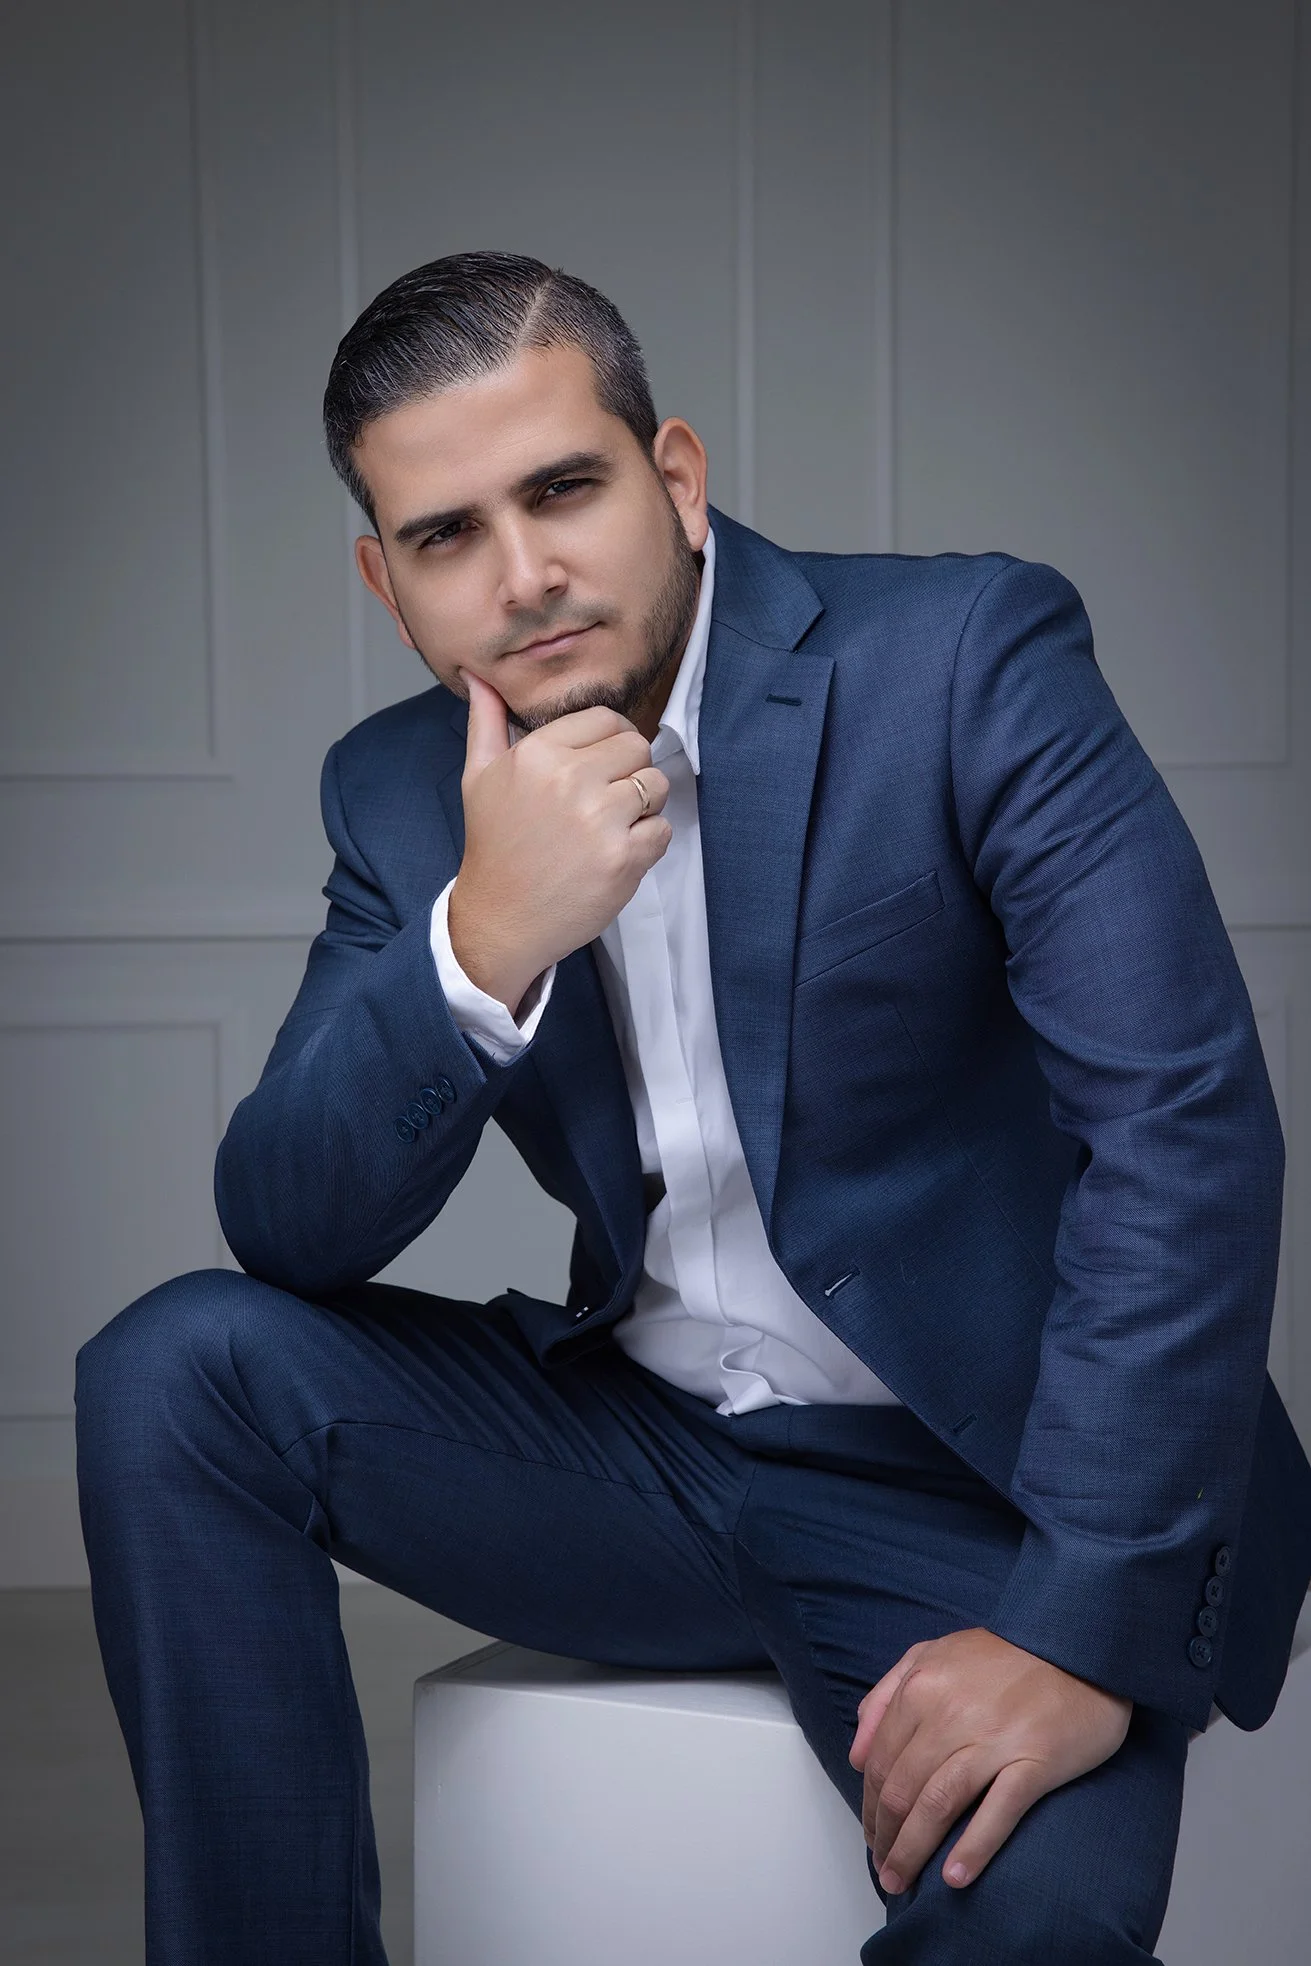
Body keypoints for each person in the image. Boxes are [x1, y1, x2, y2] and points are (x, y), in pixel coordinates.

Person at [74, 249, 1311, 1965]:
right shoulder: (398, 793)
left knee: (1029, 1925)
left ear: (673, 474)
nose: (523, 578)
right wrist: (482, 941)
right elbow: (287, 1217)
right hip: (640, 1456)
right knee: (173, 1373)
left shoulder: (961, 657)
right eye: (447, 536)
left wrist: (1075, 1630)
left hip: (978, 1488)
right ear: (386, 580)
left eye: (564, 488)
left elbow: (1182, 1131)